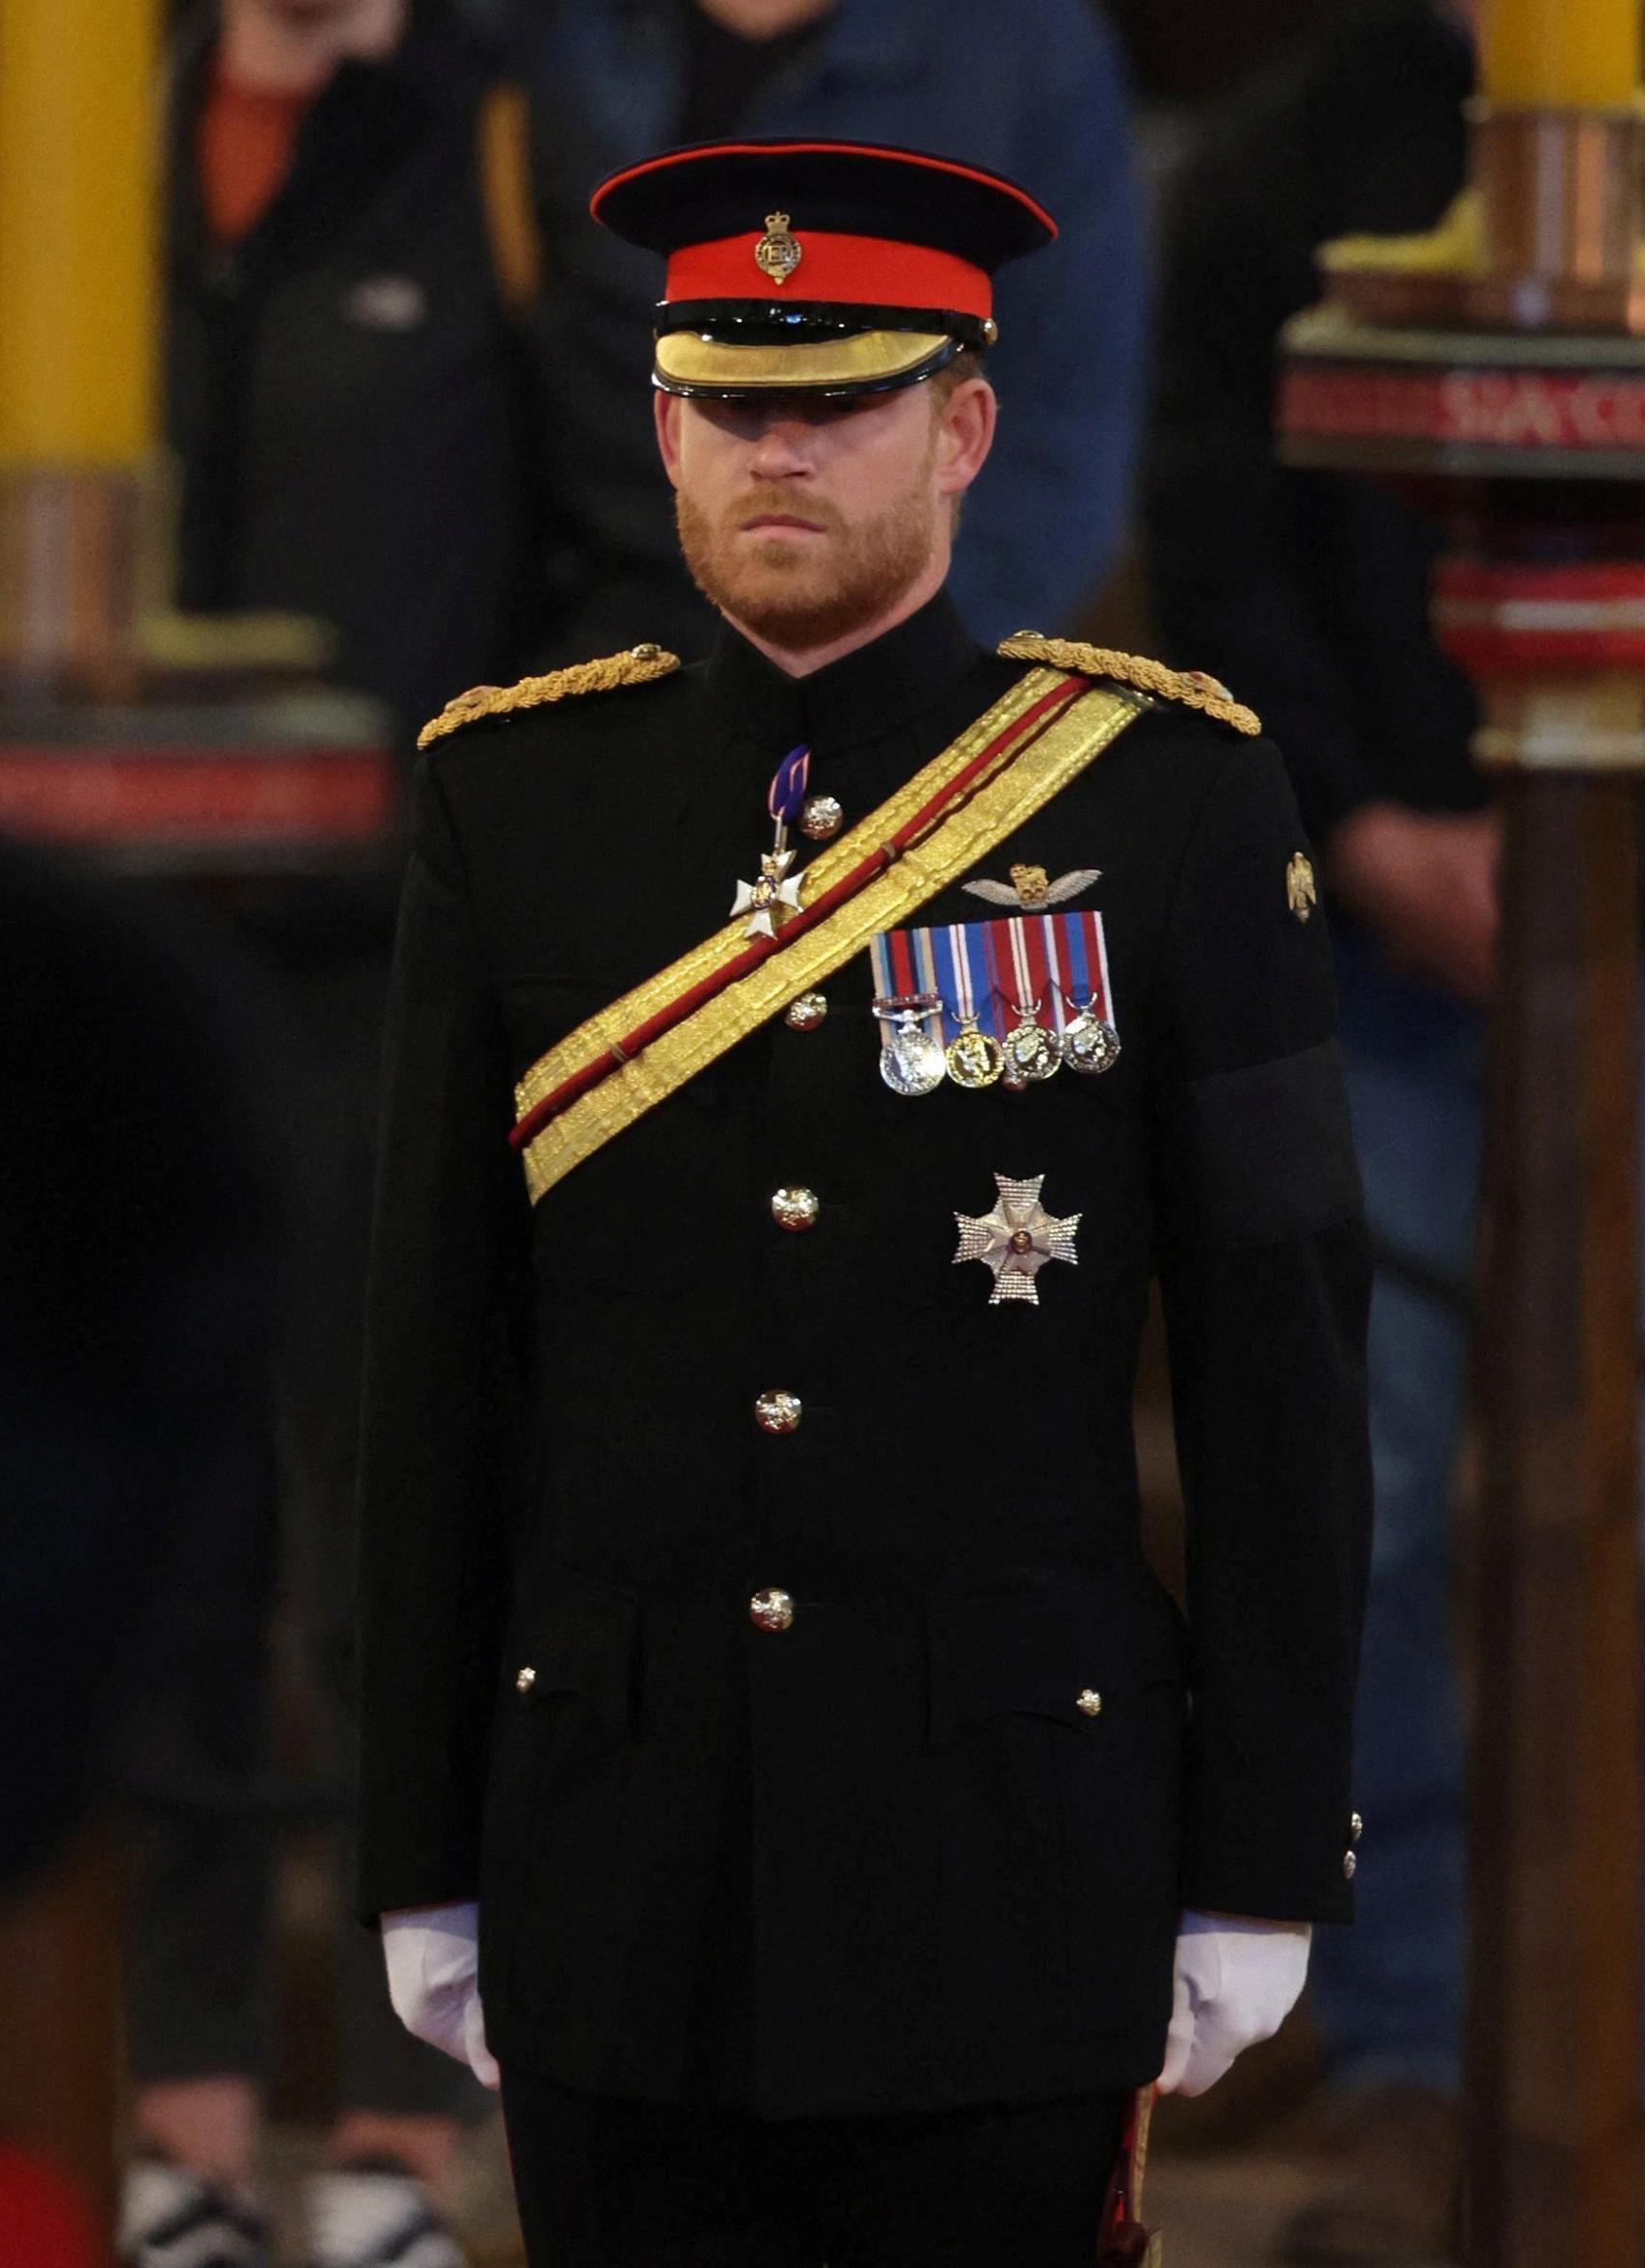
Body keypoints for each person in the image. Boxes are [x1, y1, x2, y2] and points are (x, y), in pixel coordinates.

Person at [357, 138, 1371, 2267]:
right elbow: (433, 1367)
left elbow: (1280, 1363)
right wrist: (416, 1838)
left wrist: (1262, 1855)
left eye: (838, 402)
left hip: (1008, 1853)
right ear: (662, 431)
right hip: (616, 1850)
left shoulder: (1165, 801)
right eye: (731, 405)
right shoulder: (511, 798)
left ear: (964, 428)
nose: (779, 453)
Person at [122, 3, 559, 2263]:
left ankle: (401, 2134)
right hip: (109, 963)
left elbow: (607, 554)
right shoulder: (86, 124)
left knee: (404, 1540)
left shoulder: (490, 142)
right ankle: (177, 2127)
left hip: (394, 964)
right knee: (155, 1545)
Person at [1148, 2, 1480, 2259]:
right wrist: (1361, 821)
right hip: (1384, 915)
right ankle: (1408, 2045)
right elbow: (1217, 530)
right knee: (1353, 1483)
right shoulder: (1294, 151)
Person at [518, 0, 1146, 661]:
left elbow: (1060, 445)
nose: (777, 450)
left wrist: (897, 684)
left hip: (902, 635)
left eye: (843, 403)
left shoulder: (1024, 47)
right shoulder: (547, 31)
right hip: (591, 623)